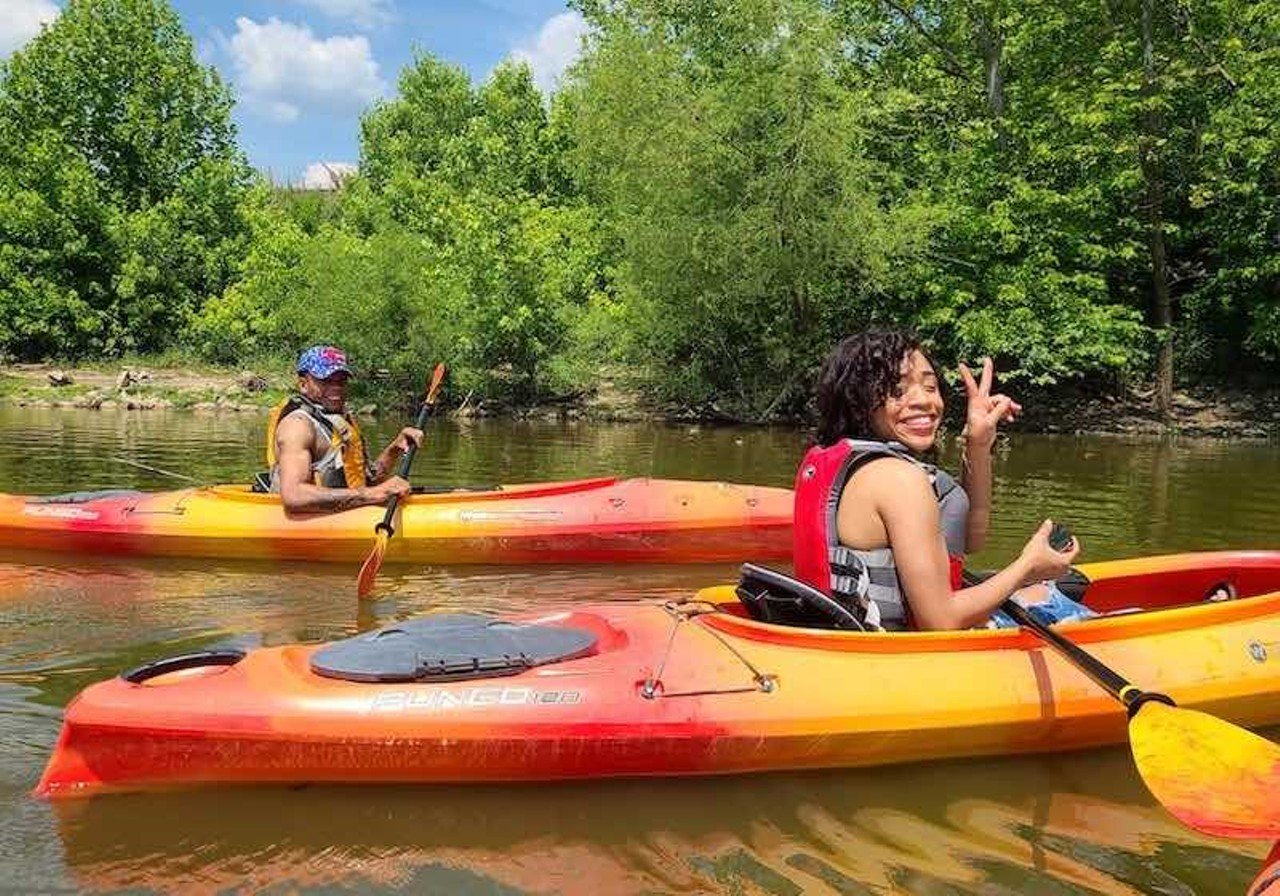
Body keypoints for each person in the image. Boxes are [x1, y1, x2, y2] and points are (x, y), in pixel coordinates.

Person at [792, 329, 1093, 631]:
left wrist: (978, 444)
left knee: (1044, 592)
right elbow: (940, 621)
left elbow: (970, 538)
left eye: (930, 386)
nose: (924, 401)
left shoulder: (843, 463)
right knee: (1055, 601)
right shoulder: (899, 480)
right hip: (903, 653)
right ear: (857, 401)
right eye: (897, 391)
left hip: (845, 638)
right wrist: (1027, 567)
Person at [266, 345, 423, 513]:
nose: (336, 388)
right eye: (326, 380)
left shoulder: (340, 422)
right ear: (304, 384)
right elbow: (294, 496)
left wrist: (394, 449)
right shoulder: (298, 426)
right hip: (303, 522)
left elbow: (366, 480)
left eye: (341, 381)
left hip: (342, 513)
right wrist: (373, 494)